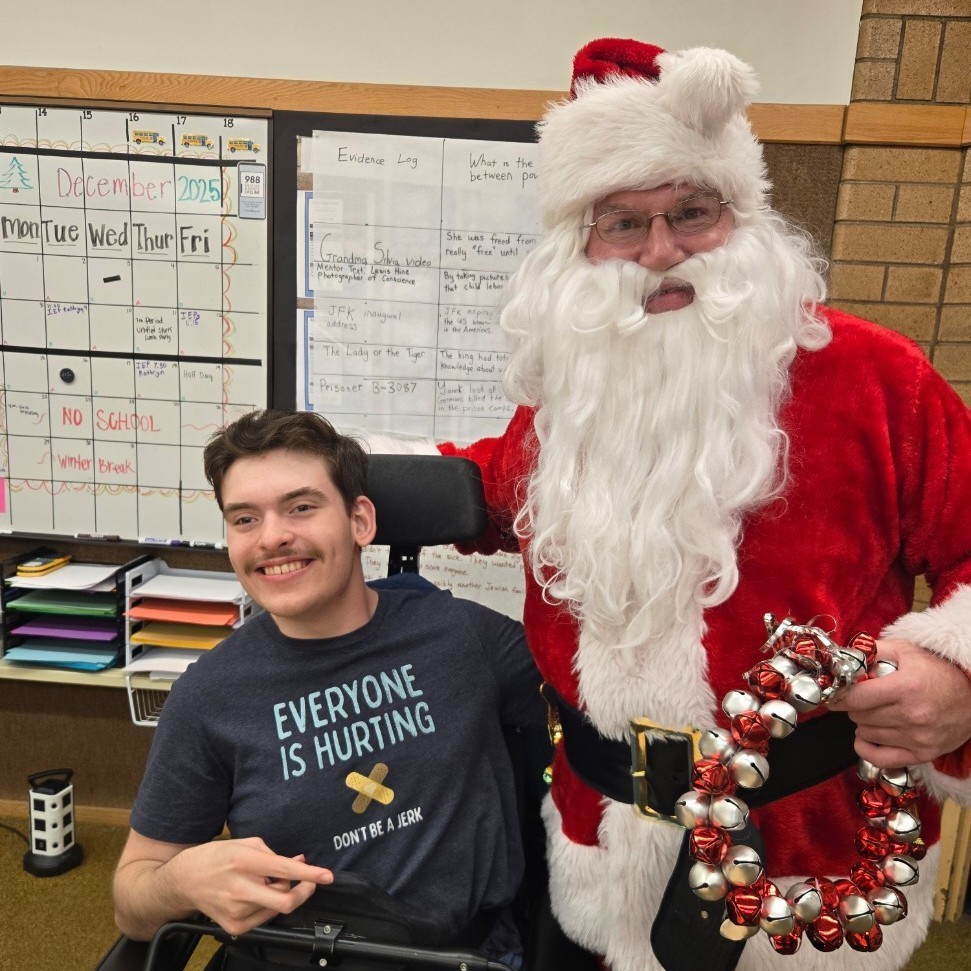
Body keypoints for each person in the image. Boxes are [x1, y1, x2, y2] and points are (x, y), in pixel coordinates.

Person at [376, 37, 971, 971]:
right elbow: (511, 487)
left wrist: (959, 677)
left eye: (691, 212)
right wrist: (323, 480)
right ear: (582, 241)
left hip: (808, 864)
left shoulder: (877, 379)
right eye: (622, 223)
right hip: (596, 837)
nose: (660, 252)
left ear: (743, 217)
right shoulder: (581, 380)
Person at [111, 409, 545, 968]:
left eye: (301, 507)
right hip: (292, 952)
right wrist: (181, 883)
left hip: (457, 955)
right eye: (244, 519)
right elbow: (132, 901)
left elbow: (602, 695)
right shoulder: (208, 696)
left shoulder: (463, 636)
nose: (273, 537)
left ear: (360, 521)